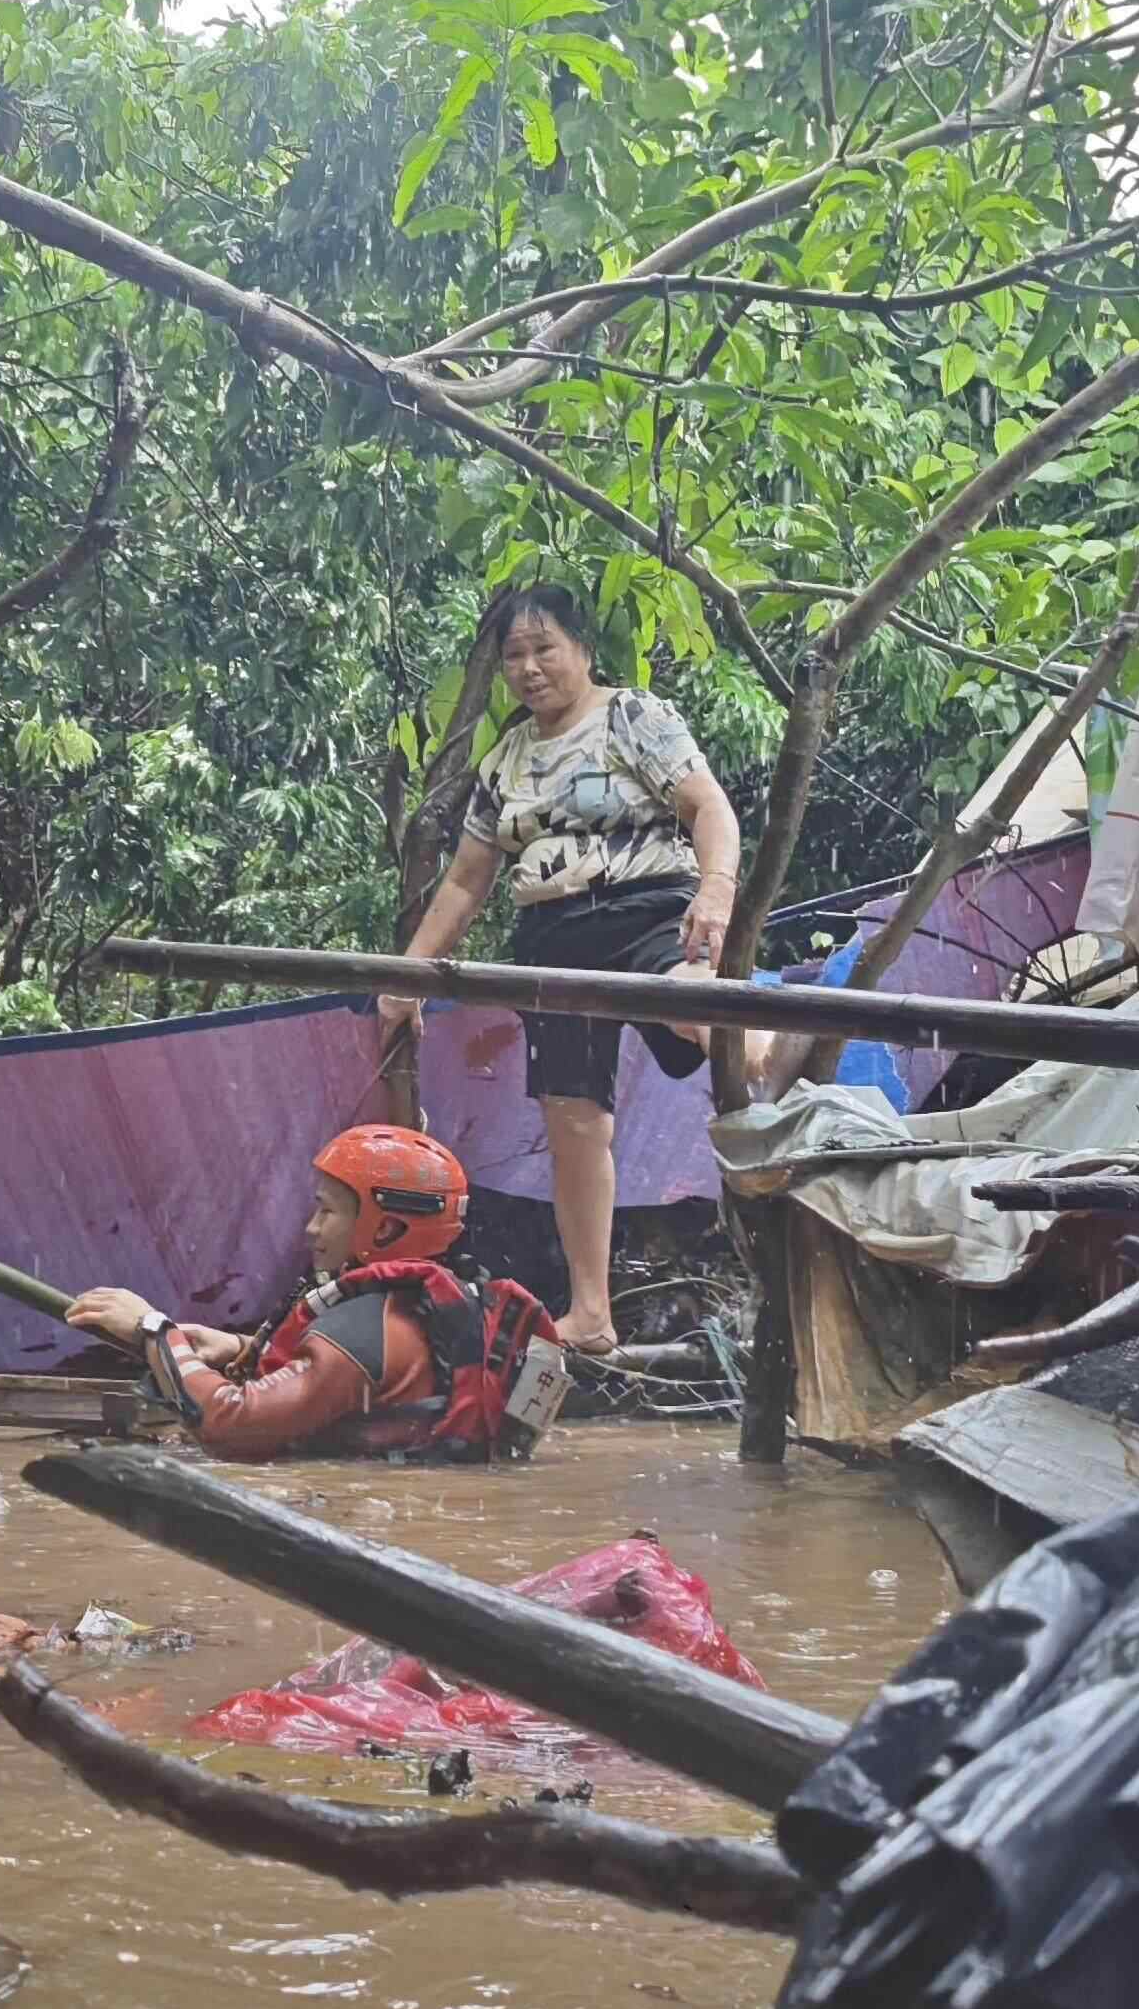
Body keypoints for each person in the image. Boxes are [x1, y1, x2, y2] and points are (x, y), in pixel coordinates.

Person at [378, 583, 744, 1355]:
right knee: (574, 1119)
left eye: (544, 648)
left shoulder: (632, 716)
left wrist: (716, 891)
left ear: (582, 649)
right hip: (553, 938)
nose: (529, 667)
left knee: (695, 1005)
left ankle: (787, 1064)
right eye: (514, 654)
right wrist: (408, 976)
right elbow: (466, 881)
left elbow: (708, 806)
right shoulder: (505, 758)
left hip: (650, 909)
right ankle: (591, 1312)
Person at [64, 1125, 559, 1465]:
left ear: (384, 1227)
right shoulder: (451, 1305)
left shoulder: (362, 1328)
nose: (311, 1228)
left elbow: (230, 1423)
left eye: (326, 1211)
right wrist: (238, 1347)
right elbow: (379, 1386)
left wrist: (153, 1329)